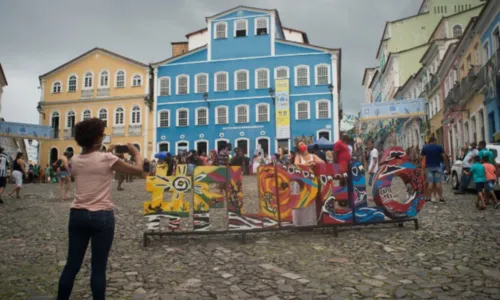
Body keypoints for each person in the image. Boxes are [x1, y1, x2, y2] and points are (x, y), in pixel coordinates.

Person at [57, 118, 143, 300]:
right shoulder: (108, 158)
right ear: (97, 137)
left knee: (72, 265)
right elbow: (138, 170)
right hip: (102, 216)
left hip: (77, 214)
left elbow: (88, 165)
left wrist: (106, 151)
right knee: (98, 267)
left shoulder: (76, 159)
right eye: (102, 135)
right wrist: (136, 152)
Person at [421, 136, 449, 203]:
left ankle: (428, 198)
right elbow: (444, 156)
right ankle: (441, 198)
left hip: (428, 167)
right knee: (438, 183)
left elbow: (421, 157)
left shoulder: (425, 147)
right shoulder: (439, 147)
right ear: (434, 141)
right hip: (437, 167)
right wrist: (447, 166)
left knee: (430, 183)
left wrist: (421, 166)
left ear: (429, 141)